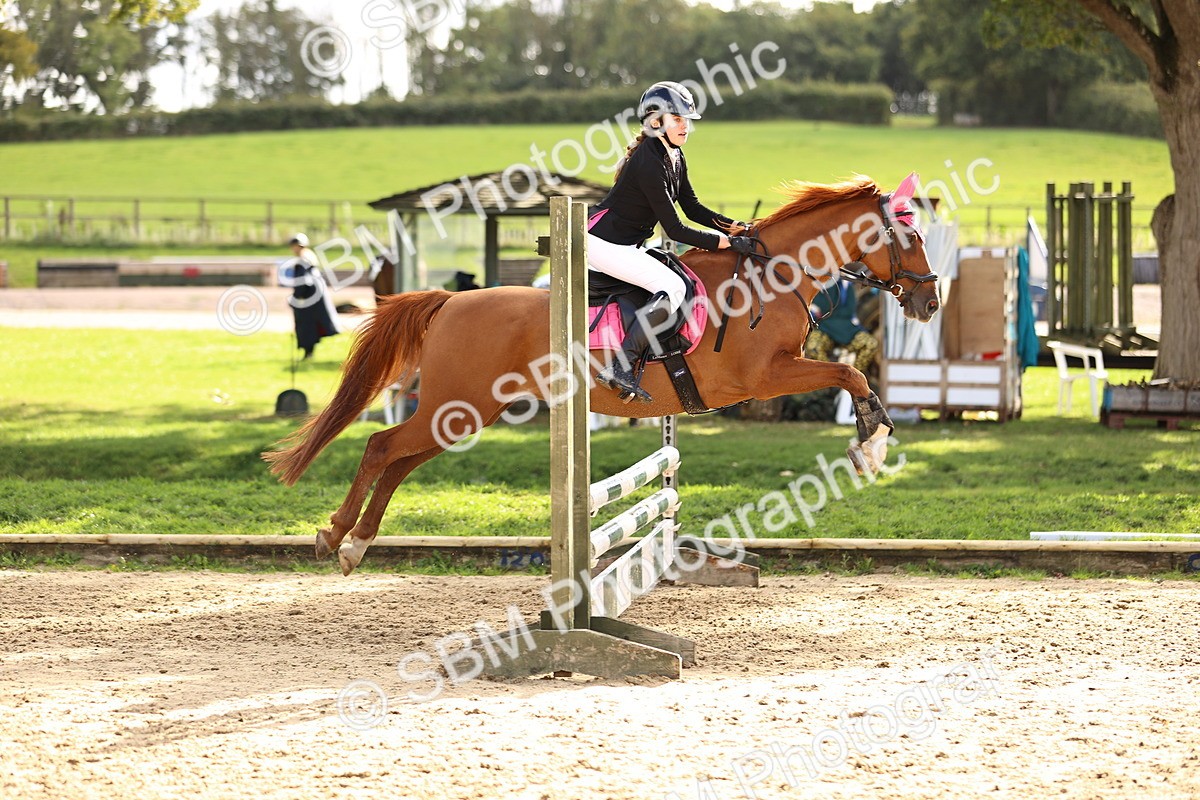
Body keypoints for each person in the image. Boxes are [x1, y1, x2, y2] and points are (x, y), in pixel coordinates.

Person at [587, 80, 755, 402]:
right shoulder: (649, 160)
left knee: (677, 278)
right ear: (655, 121)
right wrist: (723, 244)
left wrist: (734, 227)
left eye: (686, 120)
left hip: (625, 243)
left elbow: (691, 207)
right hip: (604, 244)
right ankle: (620, 366)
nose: (685, 126)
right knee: (674, 288)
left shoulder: (673, 155)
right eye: (677, 119)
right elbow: (676, 229)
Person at [804, 277, 879, 376]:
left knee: (871, 344)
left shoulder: (846, 285)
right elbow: (824, 307)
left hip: (847, 328)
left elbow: (849, 310)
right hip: (823, 328)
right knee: (813, 347)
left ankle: (853, 376)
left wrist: (828, 313)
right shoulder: (817, 284)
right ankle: (830, 378)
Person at [284, 232, 340, 360]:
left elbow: (303, 281)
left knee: (307, 326)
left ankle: (307, 353)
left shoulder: (302, 260)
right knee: (312, 326)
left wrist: (296, 297)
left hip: (306, 299)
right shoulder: (309, 257)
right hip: (313, 298)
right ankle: (308, 353)